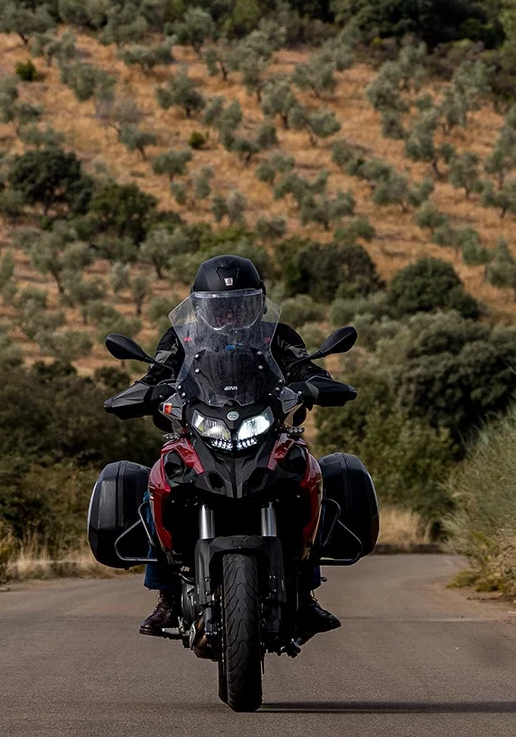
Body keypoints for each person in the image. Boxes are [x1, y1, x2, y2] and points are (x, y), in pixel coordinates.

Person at [118, 254, 356, 640]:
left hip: (266, 430)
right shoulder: (182, 338)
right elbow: (158, 372)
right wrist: (145, 391)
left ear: (257, 303)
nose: (229, 314)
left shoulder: (278, 336)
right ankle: (165, 596)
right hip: (199, 432)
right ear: (199, 307)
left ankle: (306, 592)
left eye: (239, 305)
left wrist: (316, 382)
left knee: (307, 477)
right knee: (158, 484)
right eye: (220, 307)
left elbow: (303, 368)